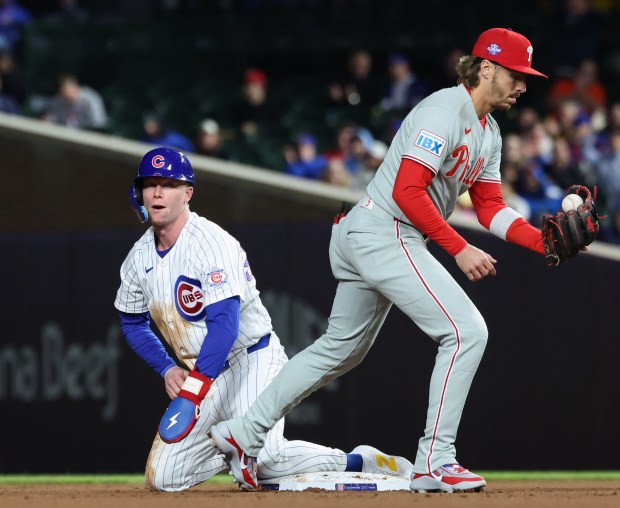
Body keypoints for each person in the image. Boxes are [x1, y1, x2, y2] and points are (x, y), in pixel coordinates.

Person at [209, 28, 588, 494]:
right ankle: (435, 460)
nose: (523, 85)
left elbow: (489, 205)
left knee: (338, 349)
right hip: (384, 228)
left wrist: (542, 242)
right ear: (486, 68)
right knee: (465, 331)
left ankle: (243, 432)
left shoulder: (488, 132)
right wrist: (458, 247)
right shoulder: (442, 110)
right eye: (516, 74)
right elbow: (408, 190)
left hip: (375, 231)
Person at [114, 147, 414, 492]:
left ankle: (358, 461)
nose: (157, 192)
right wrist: (167, 368)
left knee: (268, 458)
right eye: (150, 184)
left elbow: (224, 326)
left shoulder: (212, 244)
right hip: (206, 372)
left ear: (188, 193)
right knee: (163, 480)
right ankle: (239, 447)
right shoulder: (138, 258)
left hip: (250, 359)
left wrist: (194, 390)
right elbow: (132, 322)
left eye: (168, 184)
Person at [41, 74, 108, 131]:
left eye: (67, 89)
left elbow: (99, 124)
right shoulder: (59, 100)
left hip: (87, 135)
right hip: (64, 135)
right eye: (62, 91)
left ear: (76, 87)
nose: (66, 94)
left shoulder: (91, 100)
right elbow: (50, 119)